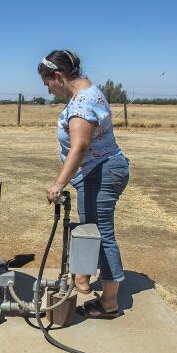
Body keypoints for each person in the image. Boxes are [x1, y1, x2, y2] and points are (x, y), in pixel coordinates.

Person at [38, 49, 130, 319]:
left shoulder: (81, 104)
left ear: (58, 76)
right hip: (101, 169)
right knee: (92, 230)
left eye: (48, 84)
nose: (48, 90)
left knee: (101, 236)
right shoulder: (90, 92)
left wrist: (58, 184)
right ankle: (83, 278)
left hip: (100, 173)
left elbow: (80, 146)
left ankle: (109, 304)